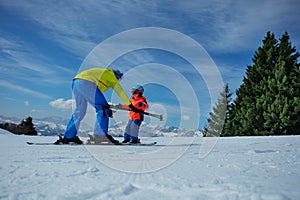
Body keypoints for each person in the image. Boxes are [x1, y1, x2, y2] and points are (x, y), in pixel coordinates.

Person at [55, 68, 140, 144]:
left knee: (80, 110)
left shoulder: (103, 75)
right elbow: (119, 91)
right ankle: (100, 135)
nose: (118, 81)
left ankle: (69, 136)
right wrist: (130, 105)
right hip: (87, 83)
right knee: (103, 108)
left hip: (76, 82)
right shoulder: (111, 75)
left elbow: (95, 94)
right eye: (119, 79)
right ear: (117, 76)